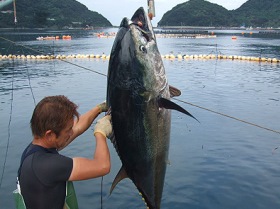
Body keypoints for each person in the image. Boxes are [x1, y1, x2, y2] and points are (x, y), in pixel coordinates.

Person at [17, 95, 112, 209]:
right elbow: (102, 166)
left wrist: (99, 108)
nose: (71, 133)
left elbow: (77, 128)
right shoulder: (48, 166)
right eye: (68, 130)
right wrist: (100, 134)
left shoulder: (33, 151)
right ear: (50, 134)